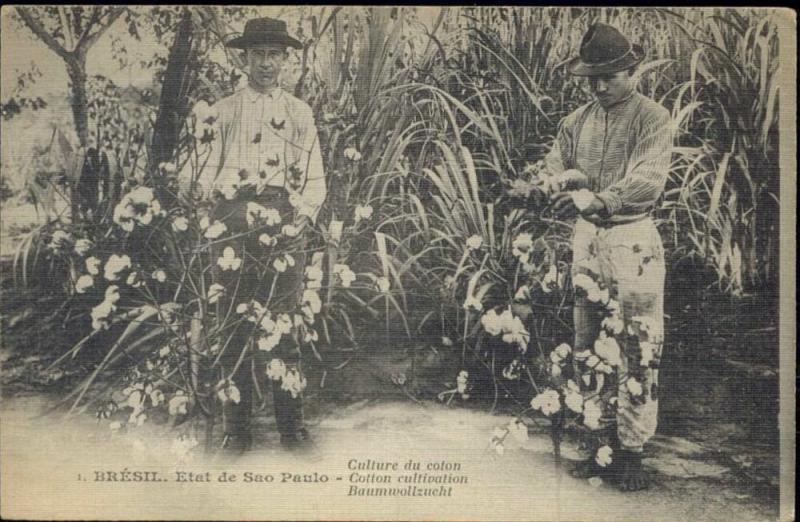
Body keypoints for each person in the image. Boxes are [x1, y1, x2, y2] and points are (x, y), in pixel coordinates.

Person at [181, 17, 326, 453]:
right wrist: (206, 201)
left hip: (283, 220)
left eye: (274, 54)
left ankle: (291, 428)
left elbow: (315, 176)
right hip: (232, 221)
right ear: (244, 58)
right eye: (258, 54)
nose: (266, 63)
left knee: (283, 325)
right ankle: (236, 430)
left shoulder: (299, 113)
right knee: (231, 327)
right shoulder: (222, 111)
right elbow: (198, 172)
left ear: (285, 59)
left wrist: (301, 215)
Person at [545, 23, 674, 490]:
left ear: (633, 70)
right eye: (591, 78)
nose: (599, 86)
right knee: (589, 339)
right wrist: (554, 185)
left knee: (638, 344)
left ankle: (632, 451)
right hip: (588, 239)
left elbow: (649, 177)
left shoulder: (652, 118)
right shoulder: (577, 120)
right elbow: (557, 162)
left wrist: (601, 199)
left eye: (610, 76)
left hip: (631, 237)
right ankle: (599, 442)